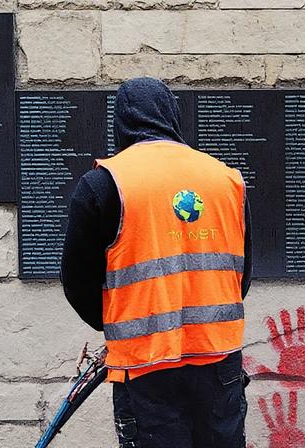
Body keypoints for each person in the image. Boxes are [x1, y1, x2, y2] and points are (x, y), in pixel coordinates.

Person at [61, 77, 252, 448]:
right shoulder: (226, 180)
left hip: (145, 368)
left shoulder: (104, 184)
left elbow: (77, 281)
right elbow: (240, 274)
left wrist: (123, 323)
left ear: (121, 122)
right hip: (218, 362)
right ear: (172, 116)